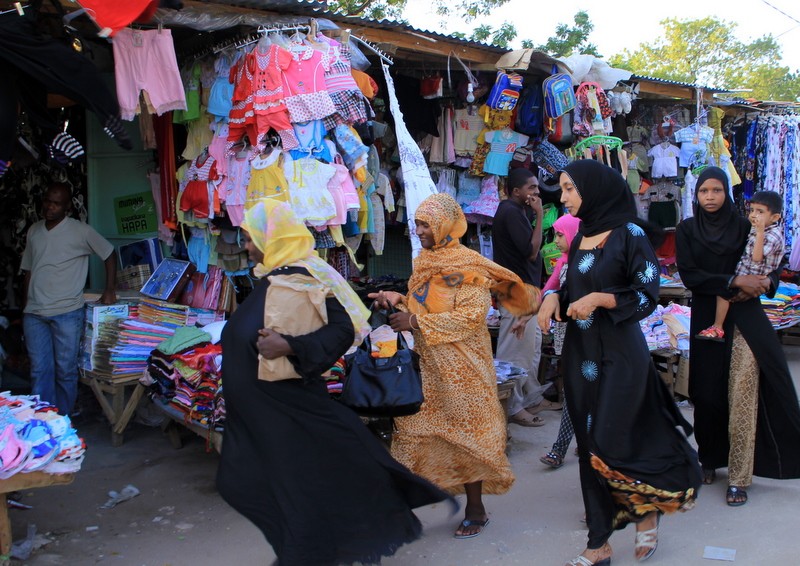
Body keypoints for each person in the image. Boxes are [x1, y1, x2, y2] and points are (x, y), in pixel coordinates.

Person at [216, 200, 454, 566]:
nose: (245, 245)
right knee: (290, 492)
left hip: (289, 415)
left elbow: (342, 329)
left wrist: (291, 346)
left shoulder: (304, 275)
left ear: (271, 236)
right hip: (267, 420)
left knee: (304, 494)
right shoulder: (272, 278)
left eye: (249, 237)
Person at [537, 160, 701, 565]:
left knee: (616, 439)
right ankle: (599, 543)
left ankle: (646, 512)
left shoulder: (630, 235)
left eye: (570, 189)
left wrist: (601, 299)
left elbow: (647, 295)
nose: (564, 198)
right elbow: (570, 284)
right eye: (562, 189)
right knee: (590, 444)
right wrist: (553, 296)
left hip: (621, 354)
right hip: (580, 355)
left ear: (595, 190)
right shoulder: (581, 238)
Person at [370, 193, 540, 540]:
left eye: (425, 225)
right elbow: (426, 304)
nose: (418, 231)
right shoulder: (425, 262)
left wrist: (415, 323)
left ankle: (475, 509)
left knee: (467, 439)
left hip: (464, 370)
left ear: (445, 225)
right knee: (414, 433)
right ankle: (403, 510)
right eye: (417, 223)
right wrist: (397, 299)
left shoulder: (468, 266)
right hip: (430, 366)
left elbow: (470, 317)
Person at [676, 167, 800, 507]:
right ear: (697, 196)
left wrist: (765, 284)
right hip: (707, 317)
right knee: (708, 393)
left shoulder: (745, 225)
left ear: (726, 194)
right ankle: (709, 458)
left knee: (743, 394)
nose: (711, 197)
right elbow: (690, 274)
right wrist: (733, 282)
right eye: (704, 191)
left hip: (745, 316)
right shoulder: (687, 229)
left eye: (717, 190)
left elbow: (771, 265)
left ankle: (739, 475)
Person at [21, 182, 117, 415]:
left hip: (67, 312)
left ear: (67, 208)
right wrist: (25, 304)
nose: (49, 207)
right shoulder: (34, 230)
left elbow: (109, 253)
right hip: (35, 313)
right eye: (47, 201)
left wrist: (109, 290)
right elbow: (28, 270)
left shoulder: (80, 230)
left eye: (56, 204)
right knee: (40, 370)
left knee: (65, 370)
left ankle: (62, 419)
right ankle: (44, 420)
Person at [491, 167, 553, 427]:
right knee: (515, 352)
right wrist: (540, 215)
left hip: (525, 292)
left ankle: (530, 397)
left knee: (531, 349)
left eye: (537, 188)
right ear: (516, 191)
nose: (536, 192)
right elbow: (531, 251)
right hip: (516, 293)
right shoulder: (510, 212)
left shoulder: (516, 211)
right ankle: (512, 407)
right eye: (531, 188)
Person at [696, 190, 784, 342]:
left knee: (724, 291)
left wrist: (760, 232)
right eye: (752, 210)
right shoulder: (753, 228)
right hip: (746, 272)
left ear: (775, 217)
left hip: (753, 276)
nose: (754, 215)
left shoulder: (772, 235)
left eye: (760, 212)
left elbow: (757, 258)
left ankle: (718, 326)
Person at [538, 212, 582, 469]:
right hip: (567, 338)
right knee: (575, 391)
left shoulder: (587, 263)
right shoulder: (562, 263)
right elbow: (548, 290)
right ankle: (582, 443)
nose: (555, 240)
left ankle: (559, 449)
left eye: (559, 235)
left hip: (587, 338)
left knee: (578, 394)